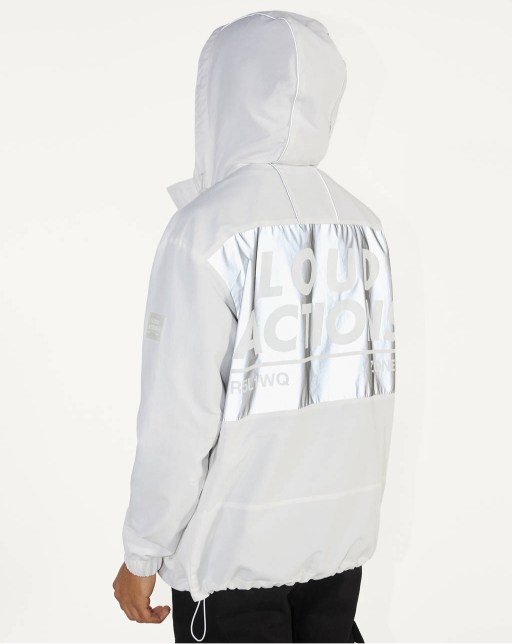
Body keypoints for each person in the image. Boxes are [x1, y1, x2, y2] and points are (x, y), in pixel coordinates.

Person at [112, 10, 396, 643]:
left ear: (225, 94)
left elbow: (178, 418)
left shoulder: (205, 230)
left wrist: (142, 553)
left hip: (234, 561)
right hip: (336, 550)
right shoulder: (364, 228)